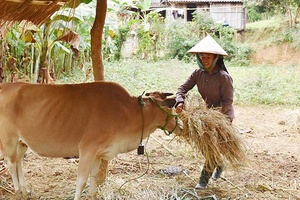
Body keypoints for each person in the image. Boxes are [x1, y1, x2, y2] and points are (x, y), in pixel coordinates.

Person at [175, 35, 234, 189]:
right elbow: (182, 89)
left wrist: (216, 116)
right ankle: (218, 163)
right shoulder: (197, 74)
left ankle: (203, 180)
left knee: (212, 145)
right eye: (203, 56)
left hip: (223, 116)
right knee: (204, 145)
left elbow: (228, 102)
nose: (205, 59)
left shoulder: (224, 77)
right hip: (206, 115)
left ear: (216, 58)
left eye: (209, 57)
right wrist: (180, 101)